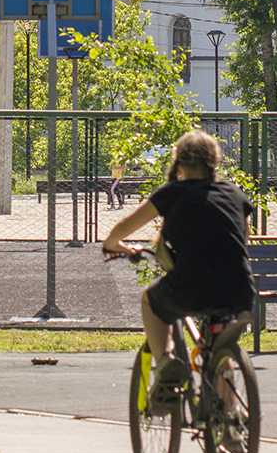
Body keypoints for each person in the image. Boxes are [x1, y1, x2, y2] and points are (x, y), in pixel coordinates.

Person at [102, 130, 257, 407]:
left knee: (151, 301)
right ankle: (231, 426)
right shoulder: (233, 193)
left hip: (191, 286)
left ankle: (166, 363)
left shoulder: (172, 193)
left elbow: (124, 227)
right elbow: (244, 238)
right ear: (214, 163)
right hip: (238, 289)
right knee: (220, 349)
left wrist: (115, 245)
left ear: (179, 164)